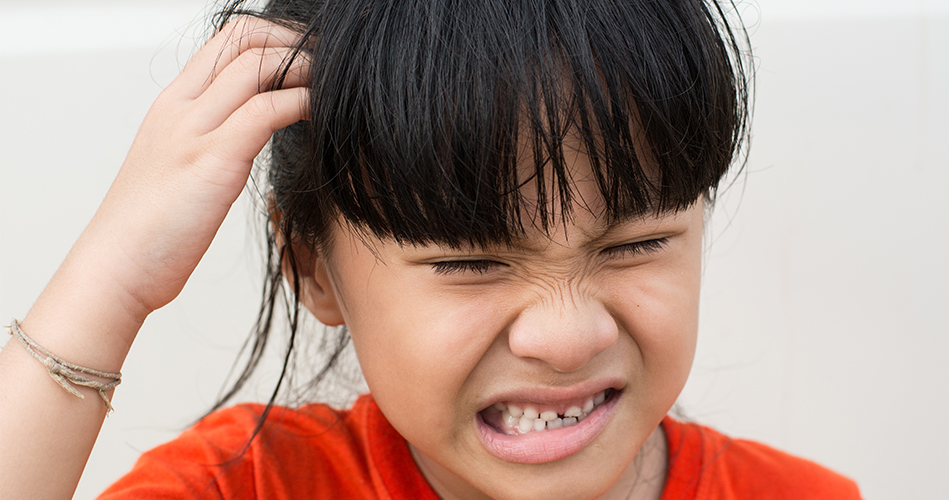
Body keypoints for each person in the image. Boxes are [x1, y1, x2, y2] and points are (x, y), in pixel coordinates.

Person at [0, 0, 862, 498]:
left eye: (635, 245)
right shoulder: (246, 488)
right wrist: (110, 283)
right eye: (470, 263)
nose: (564, 339)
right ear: (312, 268)